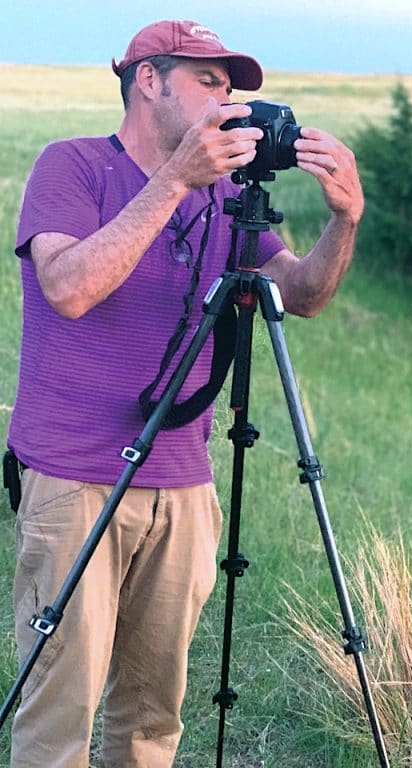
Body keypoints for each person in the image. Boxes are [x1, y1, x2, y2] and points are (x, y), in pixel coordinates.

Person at [5, 19, 363, 767]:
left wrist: (343, 219)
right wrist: (175, 181)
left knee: (151, 720)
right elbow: (67, 287)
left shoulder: (227, 197)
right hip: (74, 479)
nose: (223, 101)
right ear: (147, 79)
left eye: (229, 89)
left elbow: (299, 293)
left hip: (183, 485)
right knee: (58, 714)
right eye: (207, 81)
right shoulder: (72, 167)